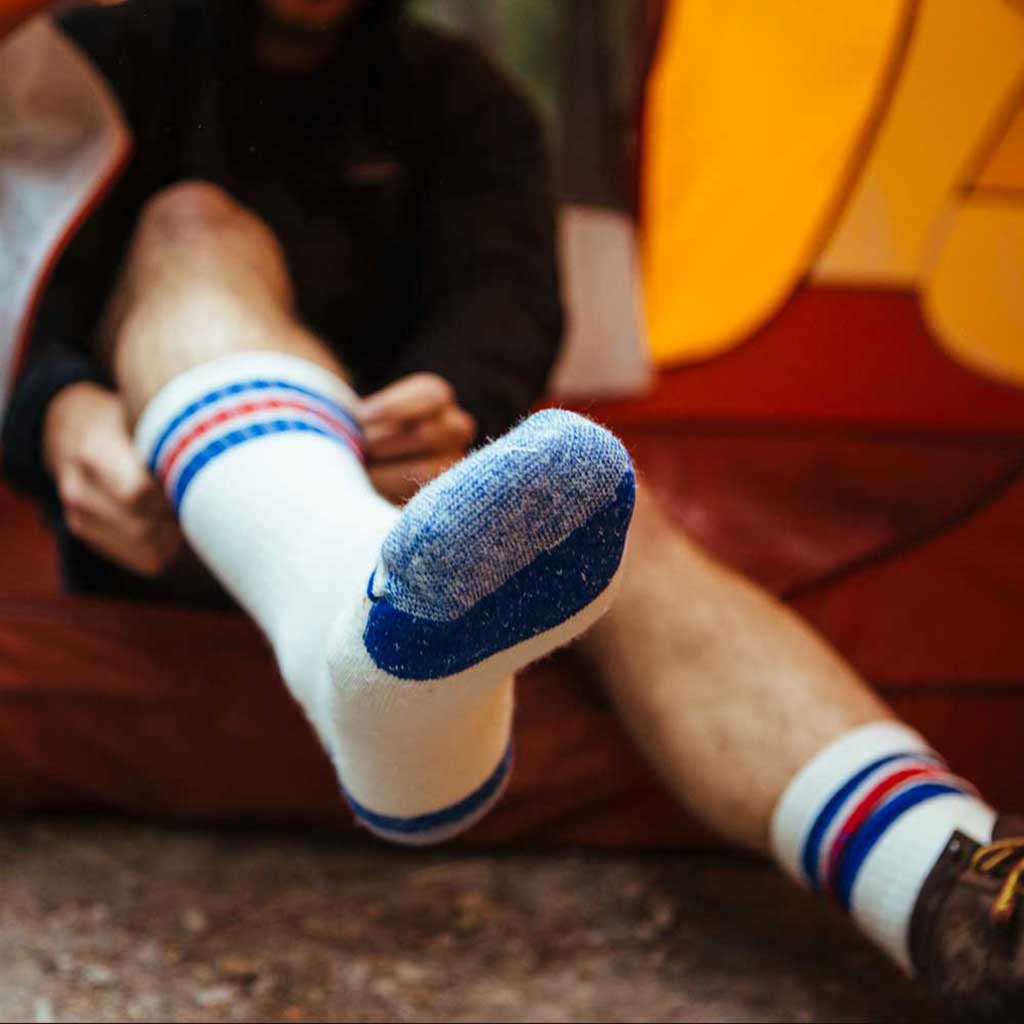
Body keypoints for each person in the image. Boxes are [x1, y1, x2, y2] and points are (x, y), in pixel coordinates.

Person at [1, 1, 1020, 1019]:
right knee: (191, 224)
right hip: (171, 505)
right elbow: (19, 275)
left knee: (630, 525)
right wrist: (53, 409)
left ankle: (957, 884)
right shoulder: (95, 56)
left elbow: (506, 308)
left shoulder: (464, 100)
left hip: (416, 499)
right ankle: (357, 617)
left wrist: (455, 406)